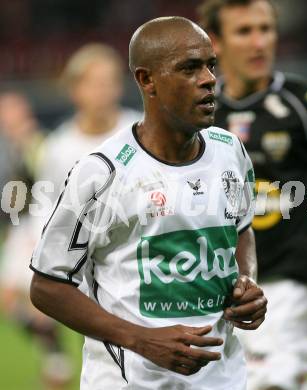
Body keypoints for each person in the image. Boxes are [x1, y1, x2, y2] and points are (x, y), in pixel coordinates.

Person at [30, 17, 267, 390]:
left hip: (224, 378)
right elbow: (47, 285)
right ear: (146, 80)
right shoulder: (103, 173)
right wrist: (140, 339)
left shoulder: (230, 150)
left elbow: (241, 229)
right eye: (189, 68)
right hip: (130, 381)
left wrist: (246, 281)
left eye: (210, 65)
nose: (208, 79)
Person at [198, 1, 307, 389]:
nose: (259, 42)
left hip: (291, 281)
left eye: (265, 29)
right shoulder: (199, 112)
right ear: (216, 42)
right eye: (244, 31)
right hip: (218, 288)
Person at [0, 91, 73, 389]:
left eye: (8, 112)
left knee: (28, 298)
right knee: (9, 300)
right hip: (25, 226)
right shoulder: (16, 146)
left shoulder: (39, 144)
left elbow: (49, 187)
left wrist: (42, 233)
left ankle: (58, 363)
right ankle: (56, 361)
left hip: (38, 226)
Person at [37, 43, 141, 204]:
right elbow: (45, 209)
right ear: (73, 90)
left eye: (108, 83)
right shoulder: (57, 148)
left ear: (119, 87)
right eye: (93, 84)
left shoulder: (143, 133)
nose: (102, 92)